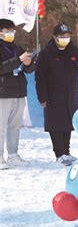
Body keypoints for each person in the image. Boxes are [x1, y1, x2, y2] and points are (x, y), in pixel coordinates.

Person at [35, 23, 78, 166]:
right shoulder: (46, 54)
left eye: (67, 36)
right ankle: (59, 153)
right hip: (53, 96)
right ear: (55, 37)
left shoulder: (73, 50)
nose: (65, 39)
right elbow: (40, 78)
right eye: (62, 37)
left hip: (70, 95)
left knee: (67, 124)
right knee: (55, 124)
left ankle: (66, 152)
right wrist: (42, 97)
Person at [0, 19, 34, 169]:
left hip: (19, 91)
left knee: (14, 126)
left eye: (12, 30)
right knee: (1, 126)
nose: (11, 33)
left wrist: (28, 64)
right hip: (3, 92)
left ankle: (13, 154)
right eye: (8, 31)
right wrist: (18, 60)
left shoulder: (17, 47)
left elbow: (29, 69)